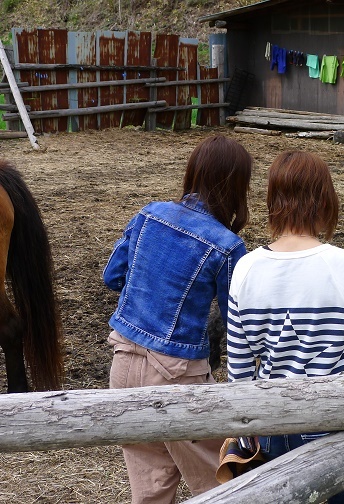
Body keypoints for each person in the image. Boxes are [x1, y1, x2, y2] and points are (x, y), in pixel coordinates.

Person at [226, 150, 344, 504]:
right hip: (337, 425)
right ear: (326, 200)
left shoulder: (246, 269)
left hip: (272, 429)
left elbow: (238, 370)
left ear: (272, 199)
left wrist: (245, 432)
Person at [103, 135, 253, 504]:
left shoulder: (148, 214)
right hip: (178, 376)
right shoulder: (227, 245)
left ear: (193, 172)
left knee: (150, 489)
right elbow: (236, 318)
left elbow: (112, 277)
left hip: (122, 365)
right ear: (237, 186)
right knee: (224, 485)